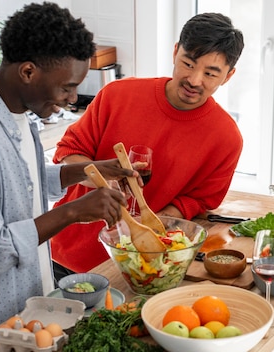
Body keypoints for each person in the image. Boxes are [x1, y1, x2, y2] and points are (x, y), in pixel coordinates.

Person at [0, 3, 138, 350]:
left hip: (27, 317)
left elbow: (18, 182)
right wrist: (72, 213)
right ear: (28, 71)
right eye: (67, 88)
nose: (72, 100)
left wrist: (86, 171)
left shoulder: (17, 114)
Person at [50, 12, 245, 276]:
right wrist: (100, 182)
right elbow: (68, 153)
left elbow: (200, 199)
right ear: (175, 52)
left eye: (210, 73)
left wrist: (158, 221)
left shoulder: (227, 138)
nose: (194, 80)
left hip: (141, 266)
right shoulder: (116, 95)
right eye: (188, 64)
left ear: (229, 76)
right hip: (66, 257)